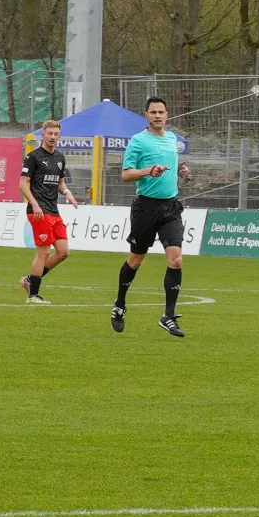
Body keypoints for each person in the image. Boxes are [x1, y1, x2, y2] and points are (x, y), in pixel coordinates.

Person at [112, 97, 187, 337]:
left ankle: (168, 316)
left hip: (171, 208)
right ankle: (120, 305)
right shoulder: (138, 141)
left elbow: (170, 165)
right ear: (146, 115)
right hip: (145, 208)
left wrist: (181, 170)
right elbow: (125, 175)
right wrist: (148, 171)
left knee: (175, 261)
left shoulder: (173, 139)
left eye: (161, 112)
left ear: (167, 114)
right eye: (153, 112)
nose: (157, 116)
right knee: (135, 260)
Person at [19, 119, 81, 305]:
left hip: (53, 210)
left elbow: (60, 183)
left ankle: (30, 280)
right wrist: (35, 204)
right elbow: (22, 183)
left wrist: (68, 194)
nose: (53, 137)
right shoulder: (33, 157)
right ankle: (33, 295)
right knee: (44, 252)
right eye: (50, 134)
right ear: (43, 135)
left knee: (63, 252)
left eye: (56, 134)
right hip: (39, 211)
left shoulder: (60, 158)